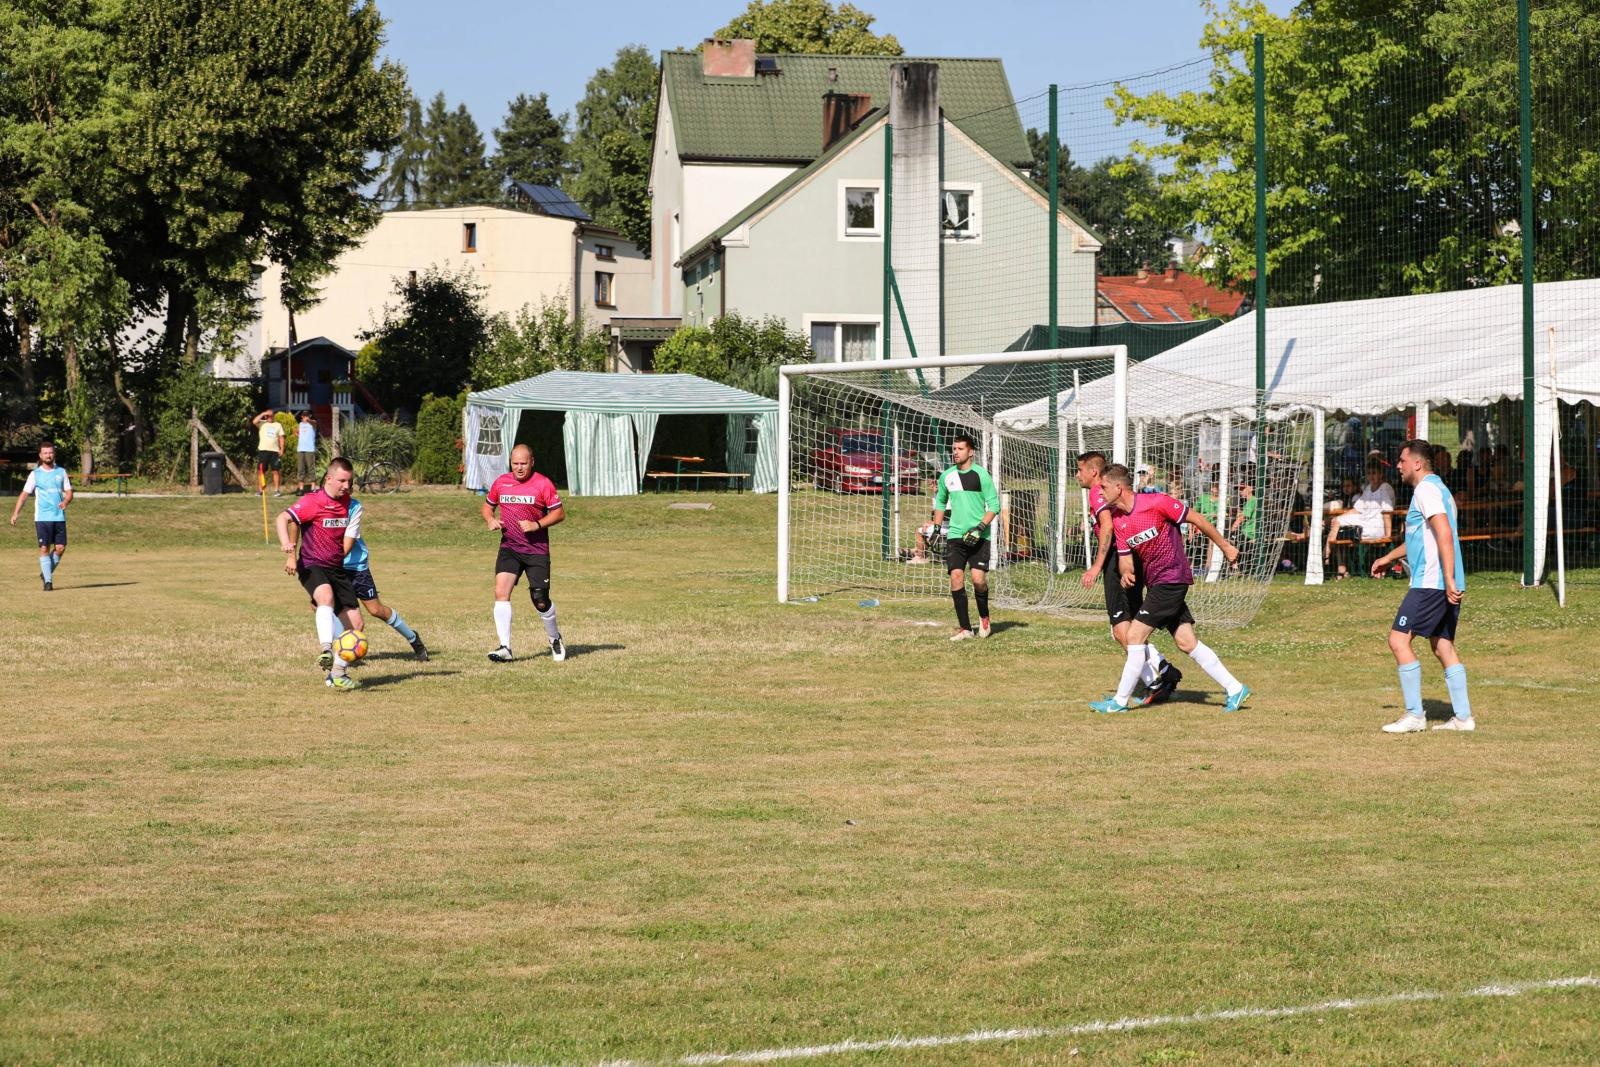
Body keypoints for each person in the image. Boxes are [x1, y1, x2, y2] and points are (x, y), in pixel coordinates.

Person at [1090, 464, 1249, 714]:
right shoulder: (1119, 520)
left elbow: (1196, 518)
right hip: (1157, 583)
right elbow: (1125, 558)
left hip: (1172, 579)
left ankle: (1119, 702)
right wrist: (1126, 573)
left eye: (1104, 487)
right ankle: (1235, 688)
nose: (1100, 492)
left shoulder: (1156, 502)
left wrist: (1225, 546)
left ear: (1119, 488)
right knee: (1187, 642)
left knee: (1134, 636)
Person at [1372, 439, 1473, 733]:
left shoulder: (1426, 490)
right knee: (1442, 646)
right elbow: (1423, 537)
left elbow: (1443, 532)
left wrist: (1448, 579)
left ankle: (1415, 715)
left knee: (1398, 640)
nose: (1399, 466)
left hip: (1431, 583)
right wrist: (1389, 557)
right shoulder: (1441, 490)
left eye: (1402, 460)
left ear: (1417, 463)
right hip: (1441, 581)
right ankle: (1464, 718)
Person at [1077, 450, 1177, 703]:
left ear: (1093, 472)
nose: (1077, 475)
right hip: (1125, 558)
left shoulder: (1096, 492)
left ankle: (1159, 678)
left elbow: (1108, 527)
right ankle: (1163, 670)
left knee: (1123, 630)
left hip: (1116, 561)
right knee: (1126, 628)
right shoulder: (1102, 491)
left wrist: (1097, 566)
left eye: (1079, 470)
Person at [276, 458, 364, 690]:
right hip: (311, 564)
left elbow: (347, 542)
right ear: (329, 478)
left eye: (349, 481)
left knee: (356, 627)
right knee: (325, 596)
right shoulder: (313, 501)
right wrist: (288, 547)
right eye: (342, 480)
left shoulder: (350, 504)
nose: (346, 485)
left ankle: (336, 675)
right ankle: (326, 648)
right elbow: (283, 518)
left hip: (336, 568)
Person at [483, 443, 566, 662]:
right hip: (509, 548)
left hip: (536, 551)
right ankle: (505, 648)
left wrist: (537, 525)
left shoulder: (543, 484)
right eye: (515, 463)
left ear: (532, 462)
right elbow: (487, 505)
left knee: (539, 599)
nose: (519, 468)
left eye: (523, 463)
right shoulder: (502, 482)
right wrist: (490, 519)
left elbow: (559, 514)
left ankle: (554, 638)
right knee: (501, 593)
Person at [338, 496, 429, 661]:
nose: (345, 489)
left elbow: (349, 543)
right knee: (331, 609)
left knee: (376, 610)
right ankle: (336, 654)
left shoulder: (353, 506)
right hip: (335, 568)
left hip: (356, 567)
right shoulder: (320, 505)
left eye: (348, 485)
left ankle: (413, 639)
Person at [930, 434, 1000, 640]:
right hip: (955, 536)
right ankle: (965, 629)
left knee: (978, 580)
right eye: (953, 449)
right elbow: (941, 503)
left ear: (971, 452)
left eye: (960, 449)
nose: (955, 452)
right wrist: (936, 527)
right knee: (956, 577)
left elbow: (994, 506)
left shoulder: (981, 475)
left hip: (979, 536)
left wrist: (980, 527)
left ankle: (984, 617)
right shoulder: (946, 476)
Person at [9, 440, 72, 591]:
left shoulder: (61, 472)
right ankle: (48, 582)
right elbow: (24, 495)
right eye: (45, 453)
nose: (48, 455)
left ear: (54, 454)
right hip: (42, 518)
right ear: (40, 455)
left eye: (50, 452)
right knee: (44, 548)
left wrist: (65, 502)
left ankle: (45, 572)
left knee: (60, 548)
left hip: (58, 517)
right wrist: (16, 513)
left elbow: (69, 492)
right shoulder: (35, 475)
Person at [1323, 461, 1395, 578]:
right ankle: (1330, 556)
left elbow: (1387, 513)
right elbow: (1357, 509)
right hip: (1364, 521)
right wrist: (1339, 517)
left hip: (1376, 526)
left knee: (1340, 531)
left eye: (1374, 473)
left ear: (1381, 474)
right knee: (1337, 522)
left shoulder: (1385, 488)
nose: (1371, 476)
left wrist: (1388, 535)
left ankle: (1327, 557)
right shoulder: (1368, 489)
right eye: (1369, 473)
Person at [252, 408, 286, 497]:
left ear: (273, 416)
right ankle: (260, 490)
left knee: (276, 471)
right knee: (261, 471)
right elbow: (254, 421)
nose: (269, 417)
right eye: (267, 416)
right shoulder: (262, 423)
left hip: (275, 451)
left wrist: (282, 449)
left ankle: (277, 490)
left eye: (271, 416)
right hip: (263, 451)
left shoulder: (278, 425)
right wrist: (263, 413)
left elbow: (281, 437)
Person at [294, 411, 318, 494]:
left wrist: (309, 420)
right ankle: (301, 488)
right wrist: (299, 436)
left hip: (310, 449)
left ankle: (313, 487)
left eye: (307, 416)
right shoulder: (300, 424)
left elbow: (314, 422)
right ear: (301, 417)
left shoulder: (312, 423)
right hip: (300, 449)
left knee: (311, 468)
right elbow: (295, 431)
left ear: (310, 416)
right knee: (301, 469)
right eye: (304, 416)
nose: (305, 417)